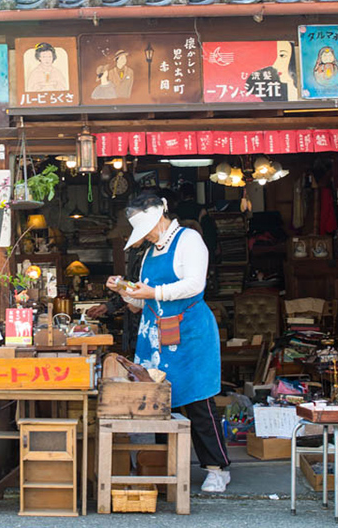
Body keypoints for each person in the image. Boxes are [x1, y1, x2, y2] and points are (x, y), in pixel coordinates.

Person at [108, 192, 230, 492]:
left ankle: (217, 468)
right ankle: (165, 467)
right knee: (159, 402)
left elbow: (193, 284)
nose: (146, 235)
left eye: (147, 228)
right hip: (155, 335)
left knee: (197, 399)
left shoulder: (189, 240)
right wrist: (124, 291)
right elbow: (139, 304)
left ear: (161, 215)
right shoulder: (149, 252)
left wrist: (152, 293)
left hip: (189, 332)